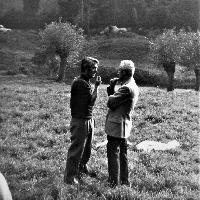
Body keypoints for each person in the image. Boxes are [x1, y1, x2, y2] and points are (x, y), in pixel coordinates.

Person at [64, 57, 101, 185]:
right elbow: (91, 101)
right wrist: (97, 87)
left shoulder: (85, 82)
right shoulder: (81, 83)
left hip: (87, 119)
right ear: (85, 68)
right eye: (93, 69)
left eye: (96, 69)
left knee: (86, 149)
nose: (95, 71)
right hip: (80, 121)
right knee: (76, 150)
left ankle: (82, 167)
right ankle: (70, 178)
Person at [105, 60, 139, 187]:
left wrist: (112, 88)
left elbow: (111, 102)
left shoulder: (126, 88)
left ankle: (113, 183)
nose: (118, 73)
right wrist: (115, 86)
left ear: (125, 72)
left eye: (120, 71)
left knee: (113, 154)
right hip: (124, 126)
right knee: (122, 154)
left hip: (116, 125)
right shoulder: (133, 84)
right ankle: (124, 181)